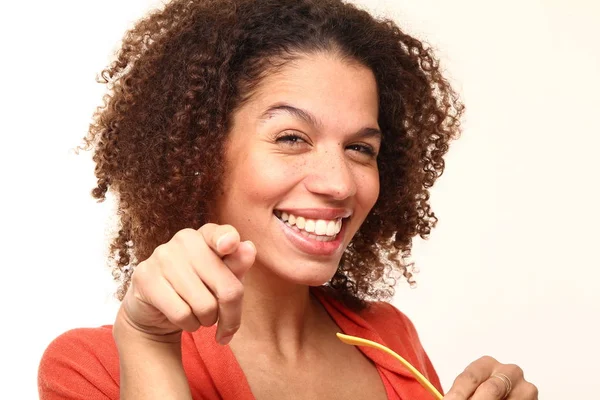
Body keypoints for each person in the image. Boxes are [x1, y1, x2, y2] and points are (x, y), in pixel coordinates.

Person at [38, 0, 538, 399]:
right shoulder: (95, 367)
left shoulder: (389, 339)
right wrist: (149, 344)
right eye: (292, 138)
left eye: (360, 148)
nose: (339, 183)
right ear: (201, 148)